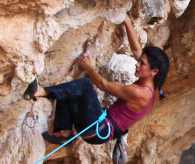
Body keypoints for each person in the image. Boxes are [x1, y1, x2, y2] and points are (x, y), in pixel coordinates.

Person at [25, 17, 168, 148]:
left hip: (98, 131)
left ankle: (40, 92)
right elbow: (137, 49)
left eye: (141, 63)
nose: (137, 64)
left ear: (153, 71)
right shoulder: (152, 81)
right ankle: (64, 133)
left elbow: (103, 85)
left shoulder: (140, 93)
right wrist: (125, 19)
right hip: (97, 128)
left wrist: (89, 67)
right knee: (72, 91)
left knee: (85, 85)